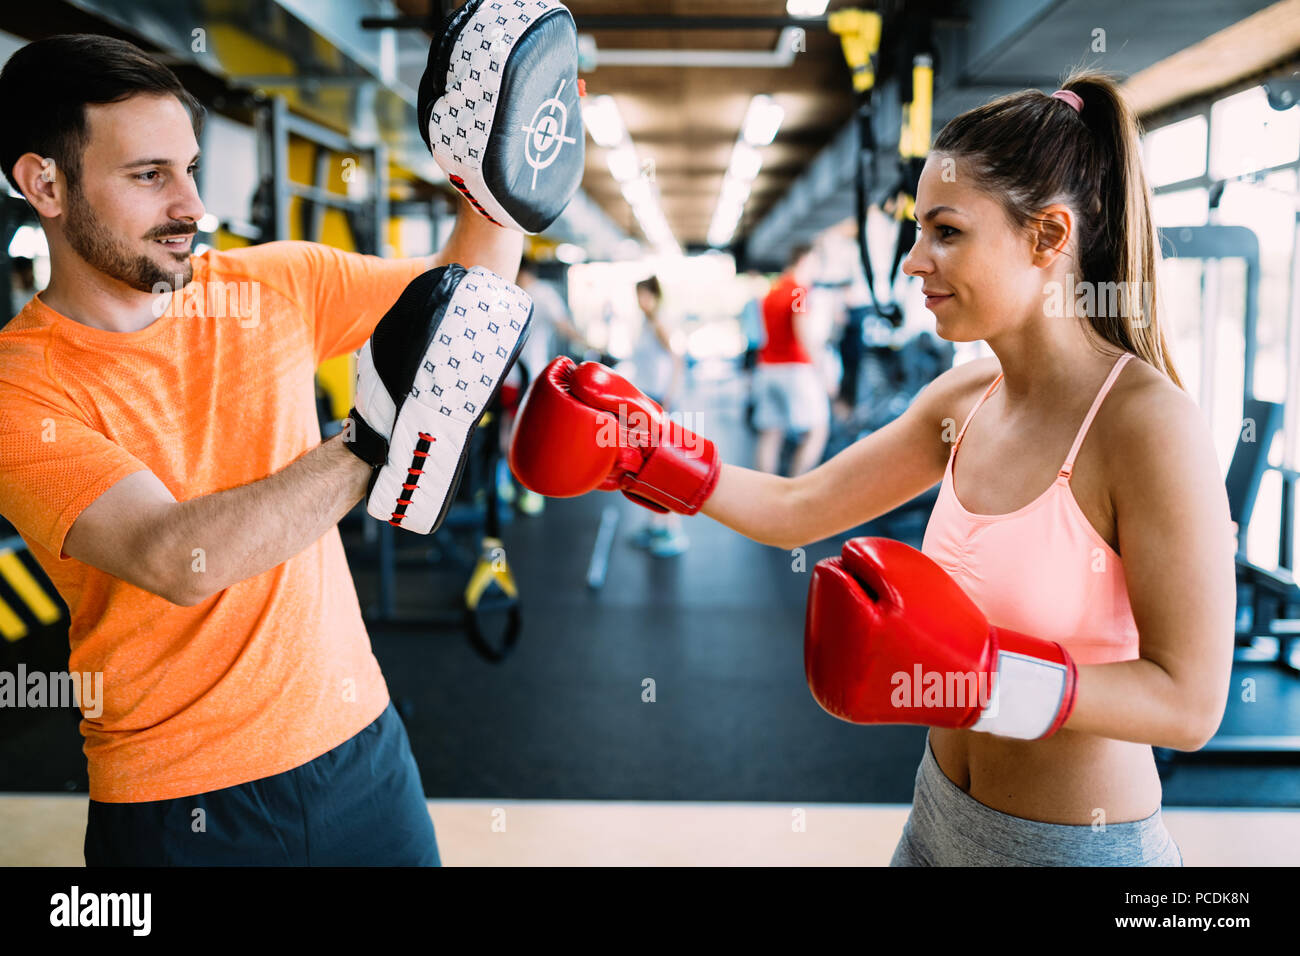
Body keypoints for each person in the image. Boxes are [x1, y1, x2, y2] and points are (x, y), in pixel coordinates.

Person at [509, 70, 1236, 866]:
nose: (914, 261)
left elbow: (1190, 701)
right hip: (936, 815)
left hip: (1071, 850)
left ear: (1049, 237)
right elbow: (799, 504)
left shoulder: (1146, 425)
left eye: (947, 232)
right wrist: (647, 450)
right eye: (917, 229)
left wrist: (985, 678)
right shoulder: (966, 393)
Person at [0, 22, 575, 865]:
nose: (192, 206)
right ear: (43, 184)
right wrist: (375, 442)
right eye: (150, 175)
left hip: (362, 748)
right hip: (180, 804)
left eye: (189, 169)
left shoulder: (271, 283)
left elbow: (467, 299)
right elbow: (175, 557)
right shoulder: (21, 390)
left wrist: (509, 174)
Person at [506, 261, 592, 515]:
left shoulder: (527, 293)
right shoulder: (537, 293)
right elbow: (563, 325)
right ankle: (519, 488)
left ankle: (516, 487)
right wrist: (589, 346)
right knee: (520, 434)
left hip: (514, 378)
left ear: (522, 272)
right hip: (523, 378)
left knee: (510, 432)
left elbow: (560, 324)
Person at [752, 243, 832, 477]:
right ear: (804, 260)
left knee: (770, 433)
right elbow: (802, 332)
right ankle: (798, 488)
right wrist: (822, 370)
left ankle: (764, 491)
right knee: (818, 430)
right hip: (795, 370)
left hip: (767, 369)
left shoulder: (772, 291)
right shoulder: (799, 291)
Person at [626, 274, 689, 557]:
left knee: (661, 465)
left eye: (643, 295)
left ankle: (673, 530)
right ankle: (655, 524)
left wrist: (669, 398)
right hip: (647, 399)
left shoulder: (660, 323)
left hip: (660, 402)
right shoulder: (646, 322)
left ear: (653, 295)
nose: (640, 301)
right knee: (645, 465)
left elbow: (678, 360)